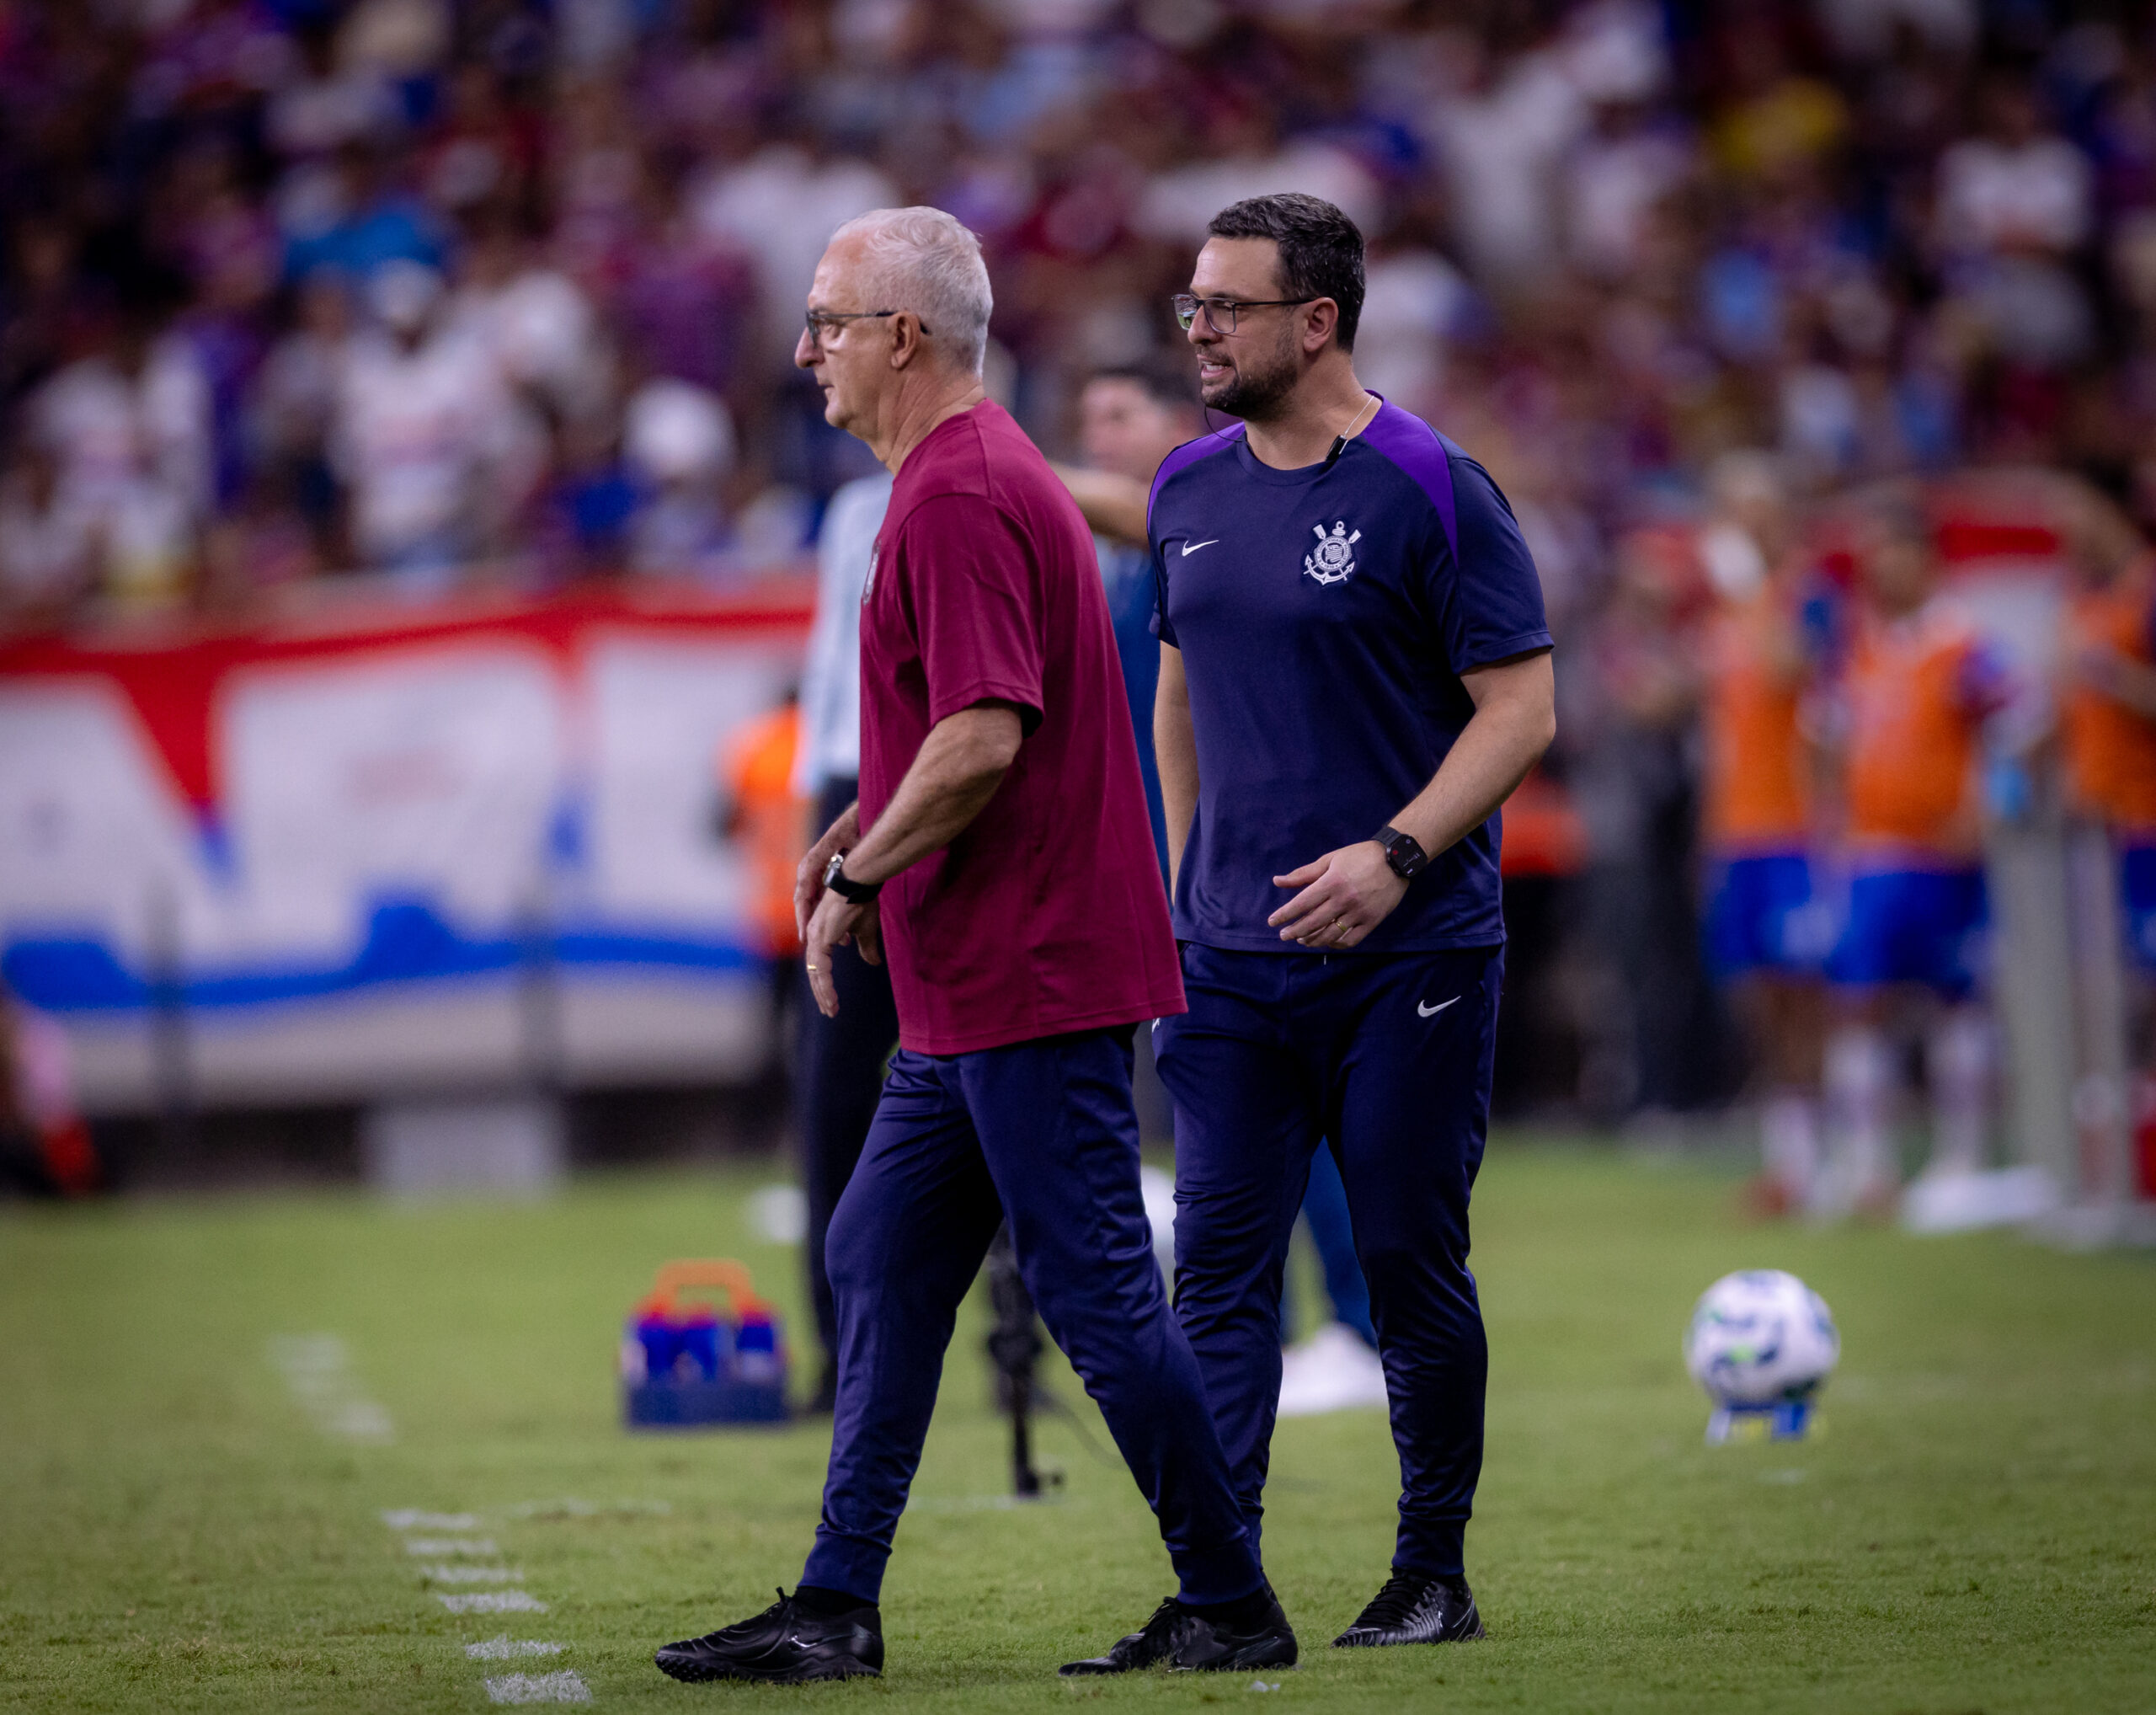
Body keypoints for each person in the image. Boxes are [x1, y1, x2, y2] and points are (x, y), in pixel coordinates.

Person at [653, 207, 1291, 1686]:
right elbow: (962, 724)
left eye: (828, 318)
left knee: (1098, 1298)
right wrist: (860, 827)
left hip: (1026, 969)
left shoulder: (952, 493)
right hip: (980, 982)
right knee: (877, 1250)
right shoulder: (964, 477)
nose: (805, 346)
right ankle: (836, 1603)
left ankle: (1231, 1597)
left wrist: (857, 875)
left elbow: (989, 738)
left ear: (905, 337)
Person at [1148, 194, 1554, 1649]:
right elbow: (1180, 688)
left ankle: (1431, 1571)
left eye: (1226, 306)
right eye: (1191, 303)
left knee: (1403, 1261)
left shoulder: (1435, 485)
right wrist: (1189, 883)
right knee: (1219, 1285)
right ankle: (1221, 1588)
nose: (1197, 327)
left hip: (1417, 958)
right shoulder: (1186, 489)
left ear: (1316, 320)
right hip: (1233, 972)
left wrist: (1395, 854)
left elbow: (1524, 707)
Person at [1061, 363, 1385, 1414]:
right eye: (1085, 419)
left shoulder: (1199, 506)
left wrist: (967, 451)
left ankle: (1354, 1323)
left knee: (1304, 1103)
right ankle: (1287, 1331)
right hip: (1176, 874)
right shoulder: (1140, 556)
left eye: (1117, 415)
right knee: (1224, 1119)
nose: (1097, 437)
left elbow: (1114, 501)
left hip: (1257, 866)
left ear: (1175, 422)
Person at [1817, 494, 2013, 1215]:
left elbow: (2022, 725)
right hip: (1871, 856)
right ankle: (1868, 1164)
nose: (1877, 568)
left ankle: (1962, 1159)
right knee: (1857, 1003)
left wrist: (1994, 803)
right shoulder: (1862, 646)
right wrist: (1830, 824)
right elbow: (1831, 739)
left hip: (1942, 859)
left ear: (1925, 558)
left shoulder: (1964, 644)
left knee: (1956, 1003)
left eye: (1891, 552)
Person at [1694, 454, 1836, 1214]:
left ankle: (1845, 1159)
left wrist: (1752, 592)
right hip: (1738, 833)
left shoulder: (1804, 598)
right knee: (1760, 1003)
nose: (1737, 527)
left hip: (1795, 830)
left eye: (1750, 511)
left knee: (1808, 997)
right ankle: (1794, 1164)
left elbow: (1791, 673)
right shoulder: (1725, 614)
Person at [788, 462, 899, 1413]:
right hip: (849, 783)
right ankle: (839, 1346)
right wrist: (812, 808)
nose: (813, 357)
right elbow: (832, 668)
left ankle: (1028, 1331)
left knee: (996, 1070)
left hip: (948, 782)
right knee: (830, 1082)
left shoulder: (993, 484)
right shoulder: (851, 510)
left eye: (834, 332)